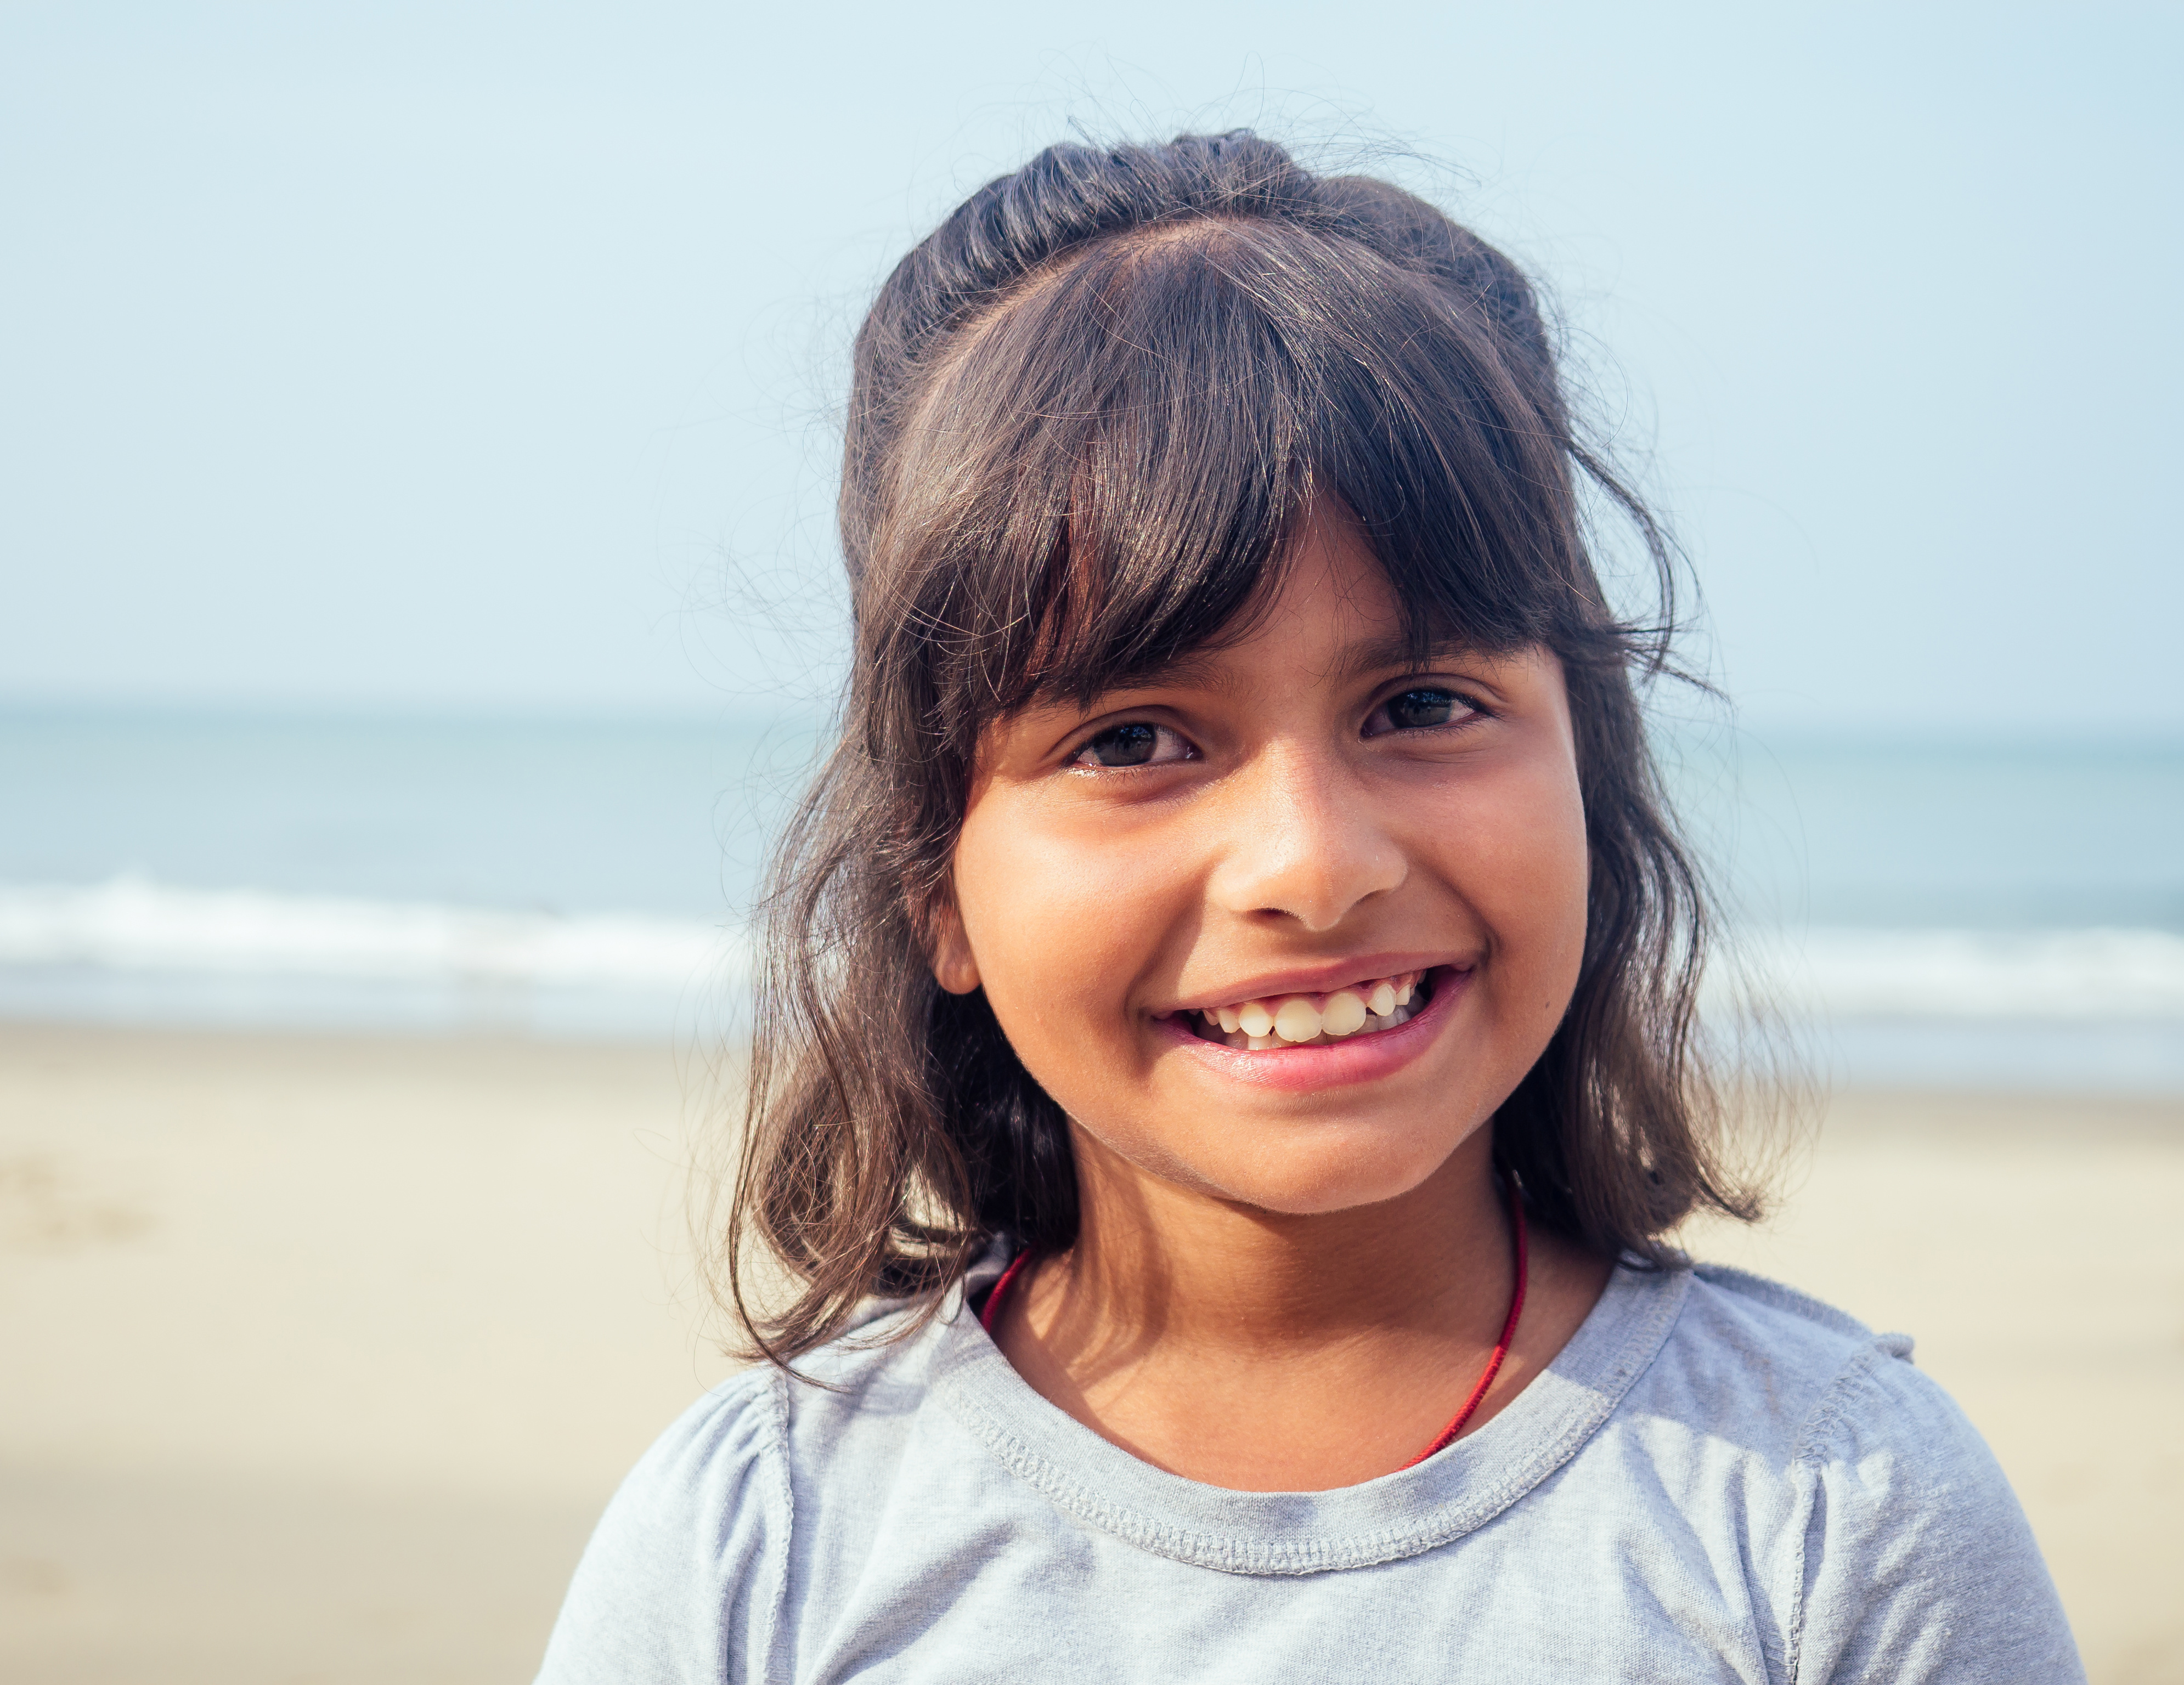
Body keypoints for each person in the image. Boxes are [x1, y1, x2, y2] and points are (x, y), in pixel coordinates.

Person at [537, 131, 2083, 1682]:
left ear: (1592, 779)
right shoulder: (760, 1547)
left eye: (1421, 705)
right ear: (934, 871)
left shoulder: (1831, 1507)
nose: (1311, 864)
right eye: (1132, 740)